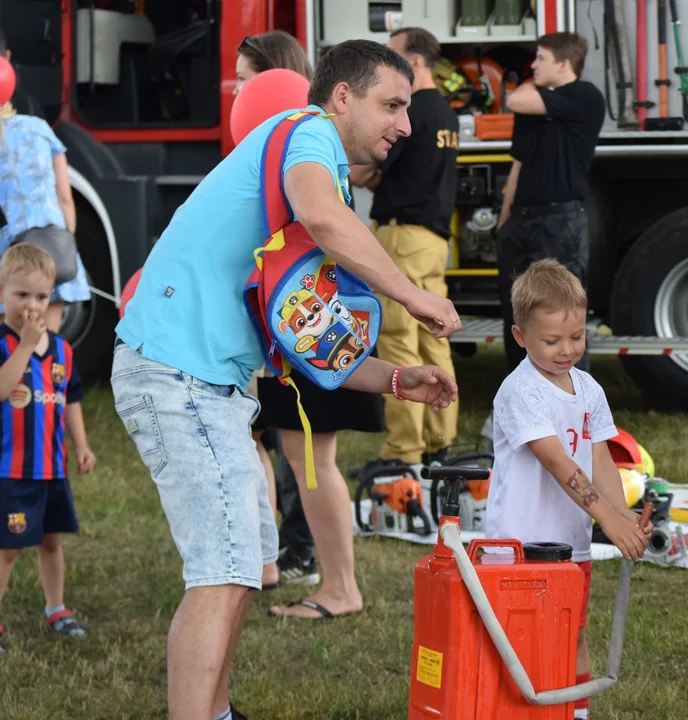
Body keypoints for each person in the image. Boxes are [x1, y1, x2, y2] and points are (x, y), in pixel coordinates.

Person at [112, 39, 460, 720]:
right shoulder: (305, 135)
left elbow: (312, 345)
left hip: (210, 387)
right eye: (391, 104)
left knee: (241, 567)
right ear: (341, 97)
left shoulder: (305, 180)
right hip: (179, 379)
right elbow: (324, 219)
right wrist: (410, 294)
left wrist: (398, 380)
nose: (406, 124)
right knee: (222, 570)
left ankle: (215, 711)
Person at [485, 258, 652, 720]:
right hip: (517, 546)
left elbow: (600, 459)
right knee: (520, 640)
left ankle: (575, 714)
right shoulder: (521, 392)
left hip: (570, 544)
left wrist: (623, 519)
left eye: (577, 337)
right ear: (520, 336)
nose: (567, 349)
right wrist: (609, 520)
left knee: (572, 632)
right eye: (552, 340)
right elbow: (561, 466)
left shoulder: (589, 389)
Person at [232, 29, 322, 591]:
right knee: (267, 438)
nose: (237, 93)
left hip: (289, 317)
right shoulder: (258, 150)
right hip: (260, 317)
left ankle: (299, 548)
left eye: (245, 81)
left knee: (294, 443)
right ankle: (277, 550)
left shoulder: (301, 156)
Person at [356, 26, 459, 468]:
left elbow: (368, 171)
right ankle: (441, 440)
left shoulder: (411, 113)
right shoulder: (448, 115)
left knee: (398, 340)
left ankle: (404, 450)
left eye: (394, 58)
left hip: (400, 236)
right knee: (435, 342)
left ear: (416, 63)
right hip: (435, 239)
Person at [0, 244, 96, 655]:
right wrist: (24, 345)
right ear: (2, 293)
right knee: (8, 549)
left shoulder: (62, 349)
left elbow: (70, 398)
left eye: (41, 297)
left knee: (51, 542)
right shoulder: (6, 344)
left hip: (51, 471)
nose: (32, 305)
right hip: (12, 471)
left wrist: (82, 445)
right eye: (21, 295)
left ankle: (56, 608)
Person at [496, 32, 604, 374]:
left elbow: (515, 99)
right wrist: (504, 219)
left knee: (564, 313)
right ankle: (521, 401)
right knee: (517, 313)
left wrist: (529, 87)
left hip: (560, 221)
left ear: (564, 63)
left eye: (541, 58)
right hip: (522, 221)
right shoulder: (535, 104)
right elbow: (519, 162)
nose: (534, 65)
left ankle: (573, 406)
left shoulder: (585, 96)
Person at [0, 38, 92, 336]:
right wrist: (65, 241)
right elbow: (65, 198)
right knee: (49, 348)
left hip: (9, 252)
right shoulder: (39, 129)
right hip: (53, 244)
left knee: (9, 352)